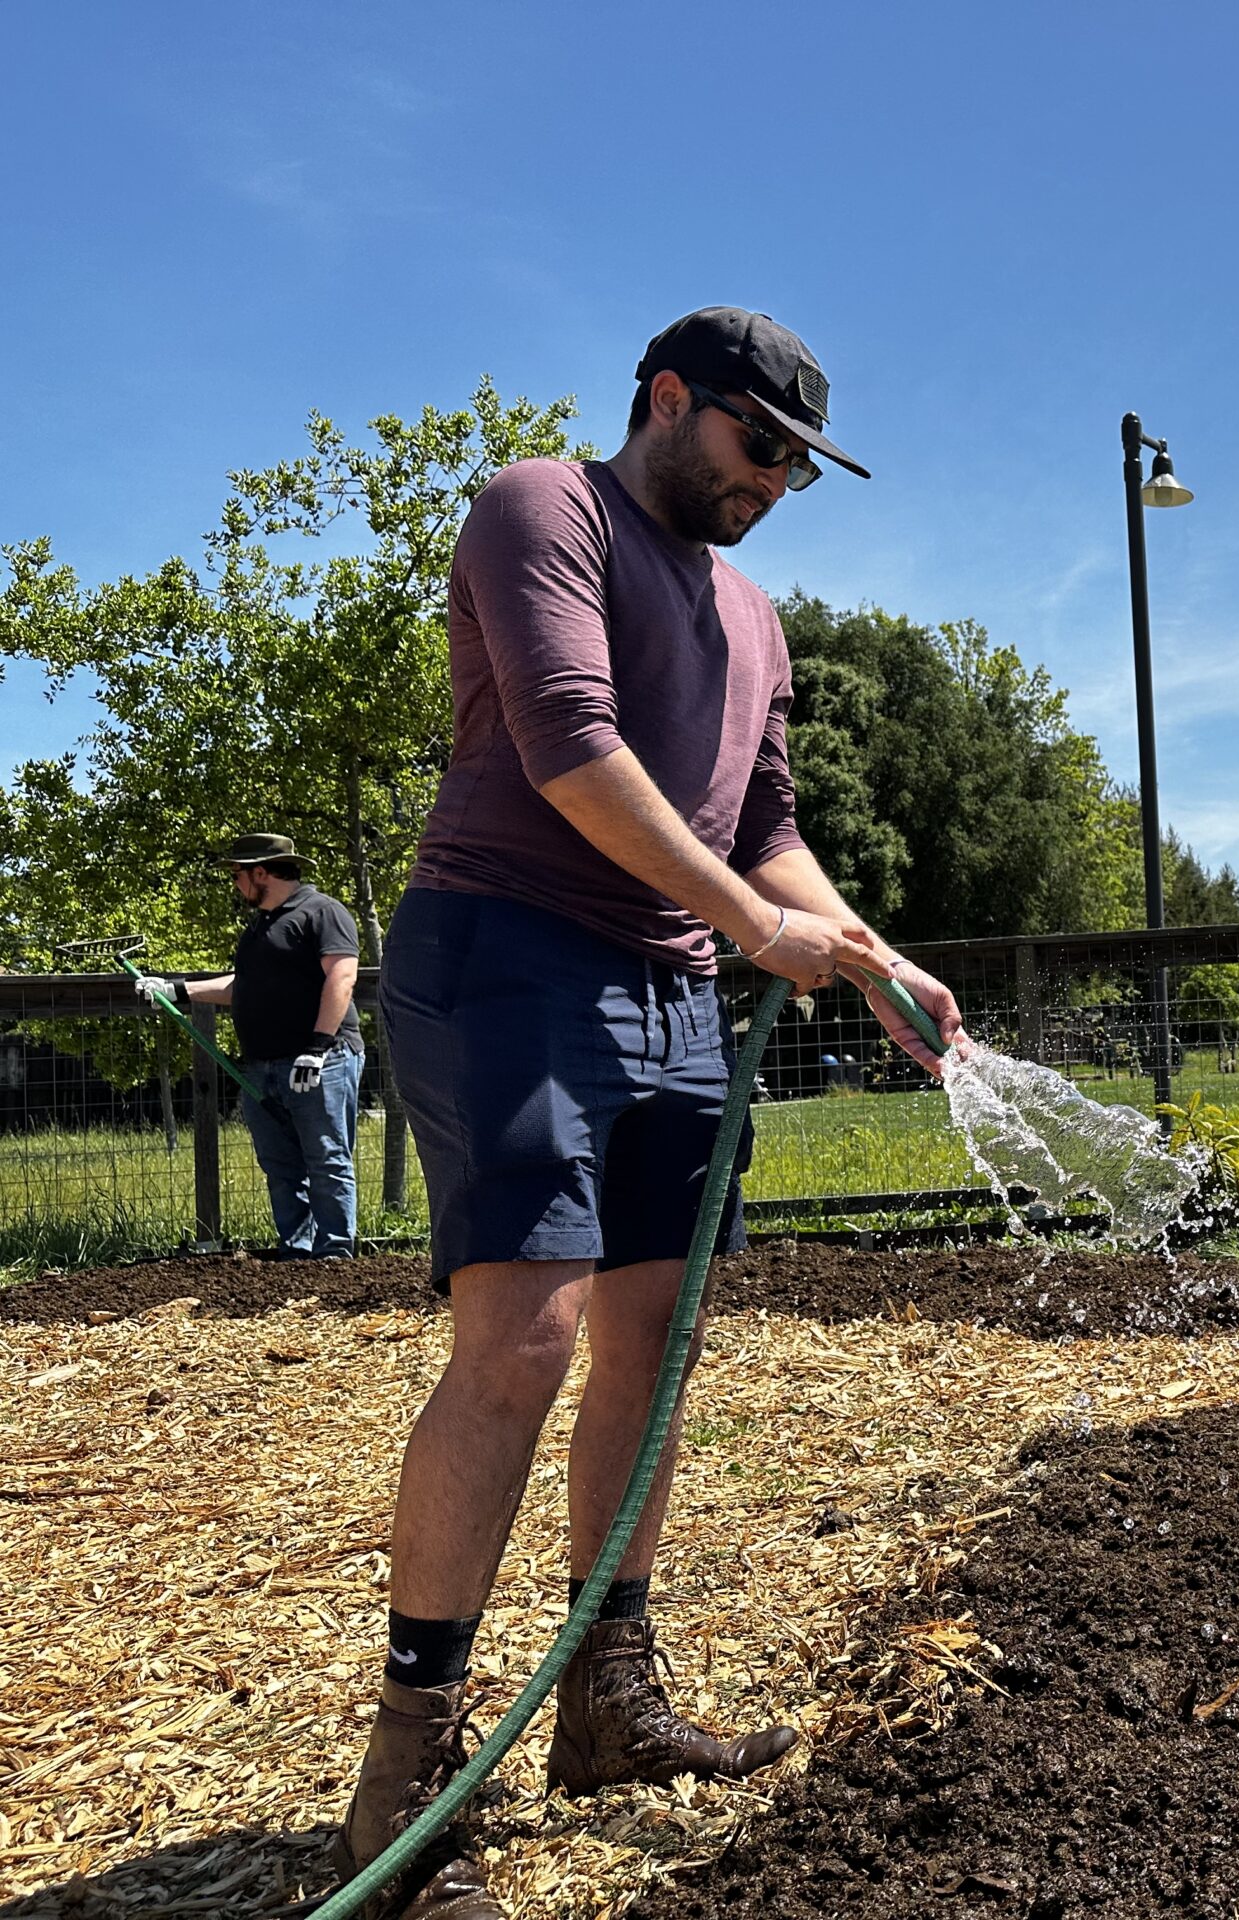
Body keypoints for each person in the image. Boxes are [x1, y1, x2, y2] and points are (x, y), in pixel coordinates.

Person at [338, 308, 968, 1920]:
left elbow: (766, 827)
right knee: (524, 1345)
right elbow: (573, 753)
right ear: (670, 401)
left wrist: (878, 960)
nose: (774, 485)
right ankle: (408, 1771)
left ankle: (609, 1699)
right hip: (509, 955)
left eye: (801, 473)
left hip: (673, 990)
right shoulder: (543, 505)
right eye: (761, 448)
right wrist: (759, 930)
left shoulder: (751, 614)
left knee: (656, 1334)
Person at [136, 832, 364, 1258]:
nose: (236, 884)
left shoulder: (323, 912)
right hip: (262, 1065)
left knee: (326, 1158)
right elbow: (243, 987)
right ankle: (296, 1253)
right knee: (280, 1165)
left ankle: (334, 1257)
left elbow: (342, 977)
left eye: (238, 874)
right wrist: (176, 989)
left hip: (320, 1062)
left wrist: (316, 1048)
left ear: (261, 872)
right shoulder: (260, 928)